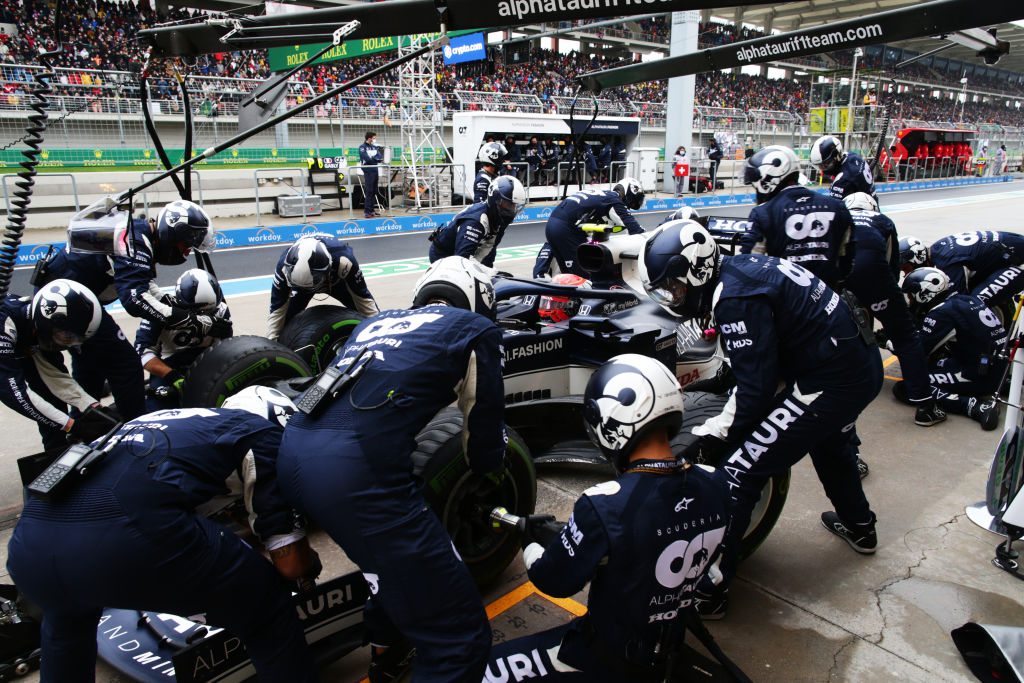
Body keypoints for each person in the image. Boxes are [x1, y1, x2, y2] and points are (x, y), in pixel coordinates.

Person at [277, 256, 507, 683]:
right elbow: (483, 434)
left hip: (292, 451)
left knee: (388, 559)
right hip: (354, 475)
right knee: (461, 638)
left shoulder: (372, 325)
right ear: (479, 299)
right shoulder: (477, 329)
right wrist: (492, 471)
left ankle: (387, 655)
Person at [639, 220, 882, 618]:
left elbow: (756, 390)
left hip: (833, 376)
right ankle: (860, 526)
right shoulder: (741, 270)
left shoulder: (735, 298)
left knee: (740, 469)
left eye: (675, 287)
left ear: (696, 272)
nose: (673, 296)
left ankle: (708, 589)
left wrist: (712, 432)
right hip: (853, 360)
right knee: (831, 445)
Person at [7, 386, 321, 683]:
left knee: (66, 621)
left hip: (30, 544)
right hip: (123, 536)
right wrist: (303, 562)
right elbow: (291, 565)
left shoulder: (157, 422)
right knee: (266, 606)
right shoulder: (263, 435)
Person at [483, 353, 730, 681]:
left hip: (605, 656)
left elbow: (552, 580)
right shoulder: (718, 483)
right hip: (667, 647)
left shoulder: (603, 504)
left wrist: (530, 540)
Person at [33, 200, 223, 420]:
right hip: (64, 307)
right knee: (125, 364)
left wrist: (178, 307)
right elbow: (135, 299)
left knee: (90, 366)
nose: (187, 252)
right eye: (186, 245)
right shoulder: (135, 242)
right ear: (173, 235)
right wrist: (189, 320)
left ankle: (85, 427)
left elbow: (143, 284)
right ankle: (134, 428)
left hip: (65, 301)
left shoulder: (137, 234)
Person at [843, 193, 944, 427]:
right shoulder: (882, 220)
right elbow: (891, 265)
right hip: (873, 276)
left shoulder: (838, 215)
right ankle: (924, 406)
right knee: (906, 337)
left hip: (840, 275)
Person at [0, 280, 121, 451]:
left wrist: (92, 407)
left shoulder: (36, 322)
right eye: (65, 336)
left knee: (50, 399)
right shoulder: (5, 327)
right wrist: (73, 425)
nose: (65, 341)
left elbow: (53, 375)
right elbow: (14, 392)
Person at [901, 268, 1006, 430]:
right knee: (933, 365)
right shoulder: (966, 299)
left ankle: (973, 406)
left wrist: (891, 342)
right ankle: (1002, 384)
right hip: (996, 366)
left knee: (910, 385)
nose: (910, 300)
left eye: (911, 295)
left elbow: (917, 352)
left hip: (980, 375)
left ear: (925, 291)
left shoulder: (941, 313)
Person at [740, 145, 855, 290]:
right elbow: (846, 260)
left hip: (786, 300)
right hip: (830, 299)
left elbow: (749, 266)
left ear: (768, 178)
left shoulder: (763, 213)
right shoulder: (838, 207)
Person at [135, 268, 231, 410]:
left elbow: (227, 348)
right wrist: (172, 376)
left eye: (209, 311)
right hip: (169, 369)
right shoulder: (159, 312)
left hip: (206, 363)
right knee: (158, 413)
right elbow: (142, 353)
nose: (204, 315)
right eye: (198, 311)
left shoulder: (221, 310)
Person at [266, 232, 379, 341]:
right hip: (299, 286)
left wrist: (379, 329)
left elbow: (363, 299)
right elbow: (277, 308)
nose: (307, 289)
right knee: (285, 323)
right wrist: (272, 344)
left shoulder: (344, 261)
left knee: (362, 313)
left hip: (335, 283)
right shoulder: (283, 267)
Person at [534, 179, 645, 280]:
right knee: (584, 277)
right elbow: (635, 229)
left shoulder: (602, 195)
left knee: (567, 275)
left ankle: (540, 274)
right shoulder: (613, 200)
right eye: (632, 203)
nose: (629, 207)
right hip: (567, 229)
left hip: (553, 224)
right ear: (630, 192)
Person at [898, 230, 1024, 310]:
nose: (906, 274)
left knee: (971, 305)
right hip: (1009, 251)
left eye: (906, 268)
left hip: (1018, 260)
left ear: (918, 258)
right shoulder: (936, 250)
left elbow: (957, 302)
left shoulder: (947, 264)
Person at [428, 176, 527, 266]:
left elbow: (489, 250)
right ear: (496, 200)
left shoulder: (498, 219)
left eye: (515, 206)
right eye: (509, 205)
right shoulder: (476, 221)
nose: (512, 210)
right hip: (443, 254)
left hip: (462, 252)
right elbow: (462, 259)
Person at [810, 135, 876, 201]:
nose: (823, 169)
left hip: (861, 208)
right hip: (871, 200)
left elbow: (835, 207)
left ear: (837, 157)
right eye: (820, 166)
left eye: (826, 164)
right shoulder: (853, 156)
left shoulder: (842, 180)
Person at [359, 131, 383, 218]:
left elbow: (380, 157)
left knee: (374, 191)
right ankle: (367, 211)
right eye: (373, 138)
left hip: (375, 170)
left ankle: (372, 210)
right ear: (369, 138)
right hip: (368, 170)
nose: (374, 139)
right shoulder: (362, 147)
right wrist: (374, 159)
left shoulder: (374, 147)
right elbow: (366, 159)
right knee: (369, 191)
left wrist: (374, 159)